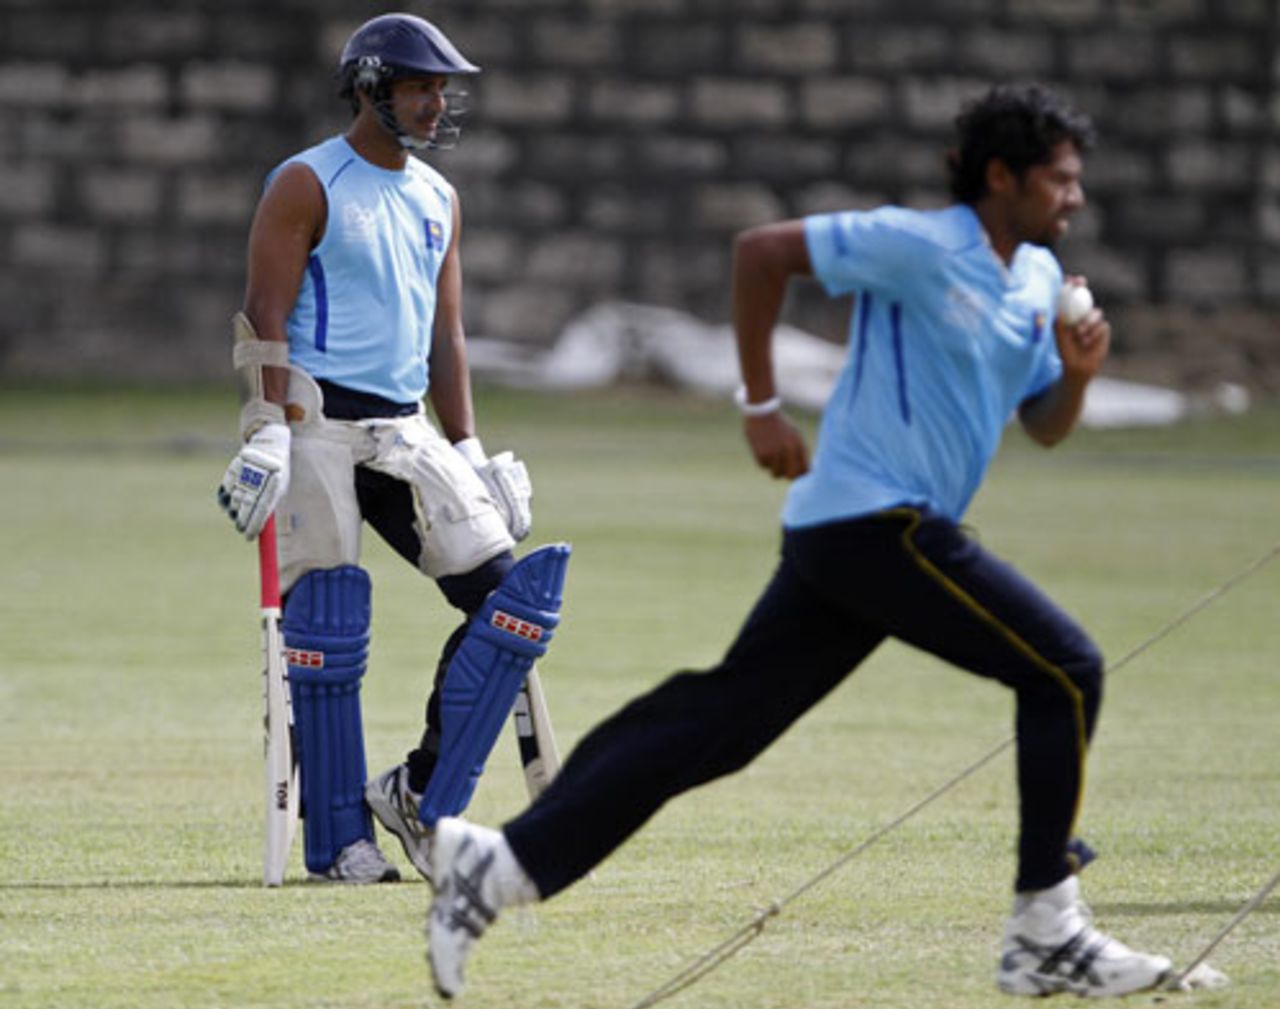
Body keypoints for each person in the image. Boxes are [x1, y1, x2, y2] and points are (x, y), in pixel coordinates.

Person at [422, 83, 1177, 998]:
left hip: (861, 537)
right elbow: (761, 254)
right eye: (1060, 180)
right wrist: (761, 405)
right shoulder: (918, 243)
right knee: (1065, 669)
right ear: (1000, 175)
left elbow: (1046, 423)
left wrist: (1084, 374)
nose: (1076, 197)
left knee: (719, 723)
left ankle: (496, 866)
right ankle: (1046, 929)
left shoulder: (1042, 281)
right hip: (874, 520)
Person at [216, 12, 569, 885]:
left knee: (511, 599)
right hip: (316, 424)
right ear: (371, 87)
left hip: (406, 426)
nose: (436, 102)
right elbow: (265, 316)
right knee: (328, 623)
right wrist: (263, 427)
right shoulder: (306, 182)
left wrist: (473, 447)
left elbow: (448, 336)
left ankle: (416, 793)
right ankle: (339, 843)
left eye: (441, 88)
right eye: (420, 86)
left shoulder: (439, 197)